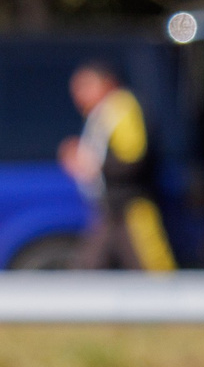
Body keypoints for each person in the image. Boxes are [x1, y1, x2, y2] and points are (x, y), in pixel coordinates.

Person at [57, 59, 175, 271]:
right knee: (89, 267)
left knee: (155, 272)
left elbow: (133, 158)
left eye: (85, 86)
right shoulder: (102, 112)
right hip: (109, 209)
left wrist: (90, 163)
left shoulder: (121, 106)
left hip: (131, 209)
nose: (78, 95)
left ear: (107, 83)